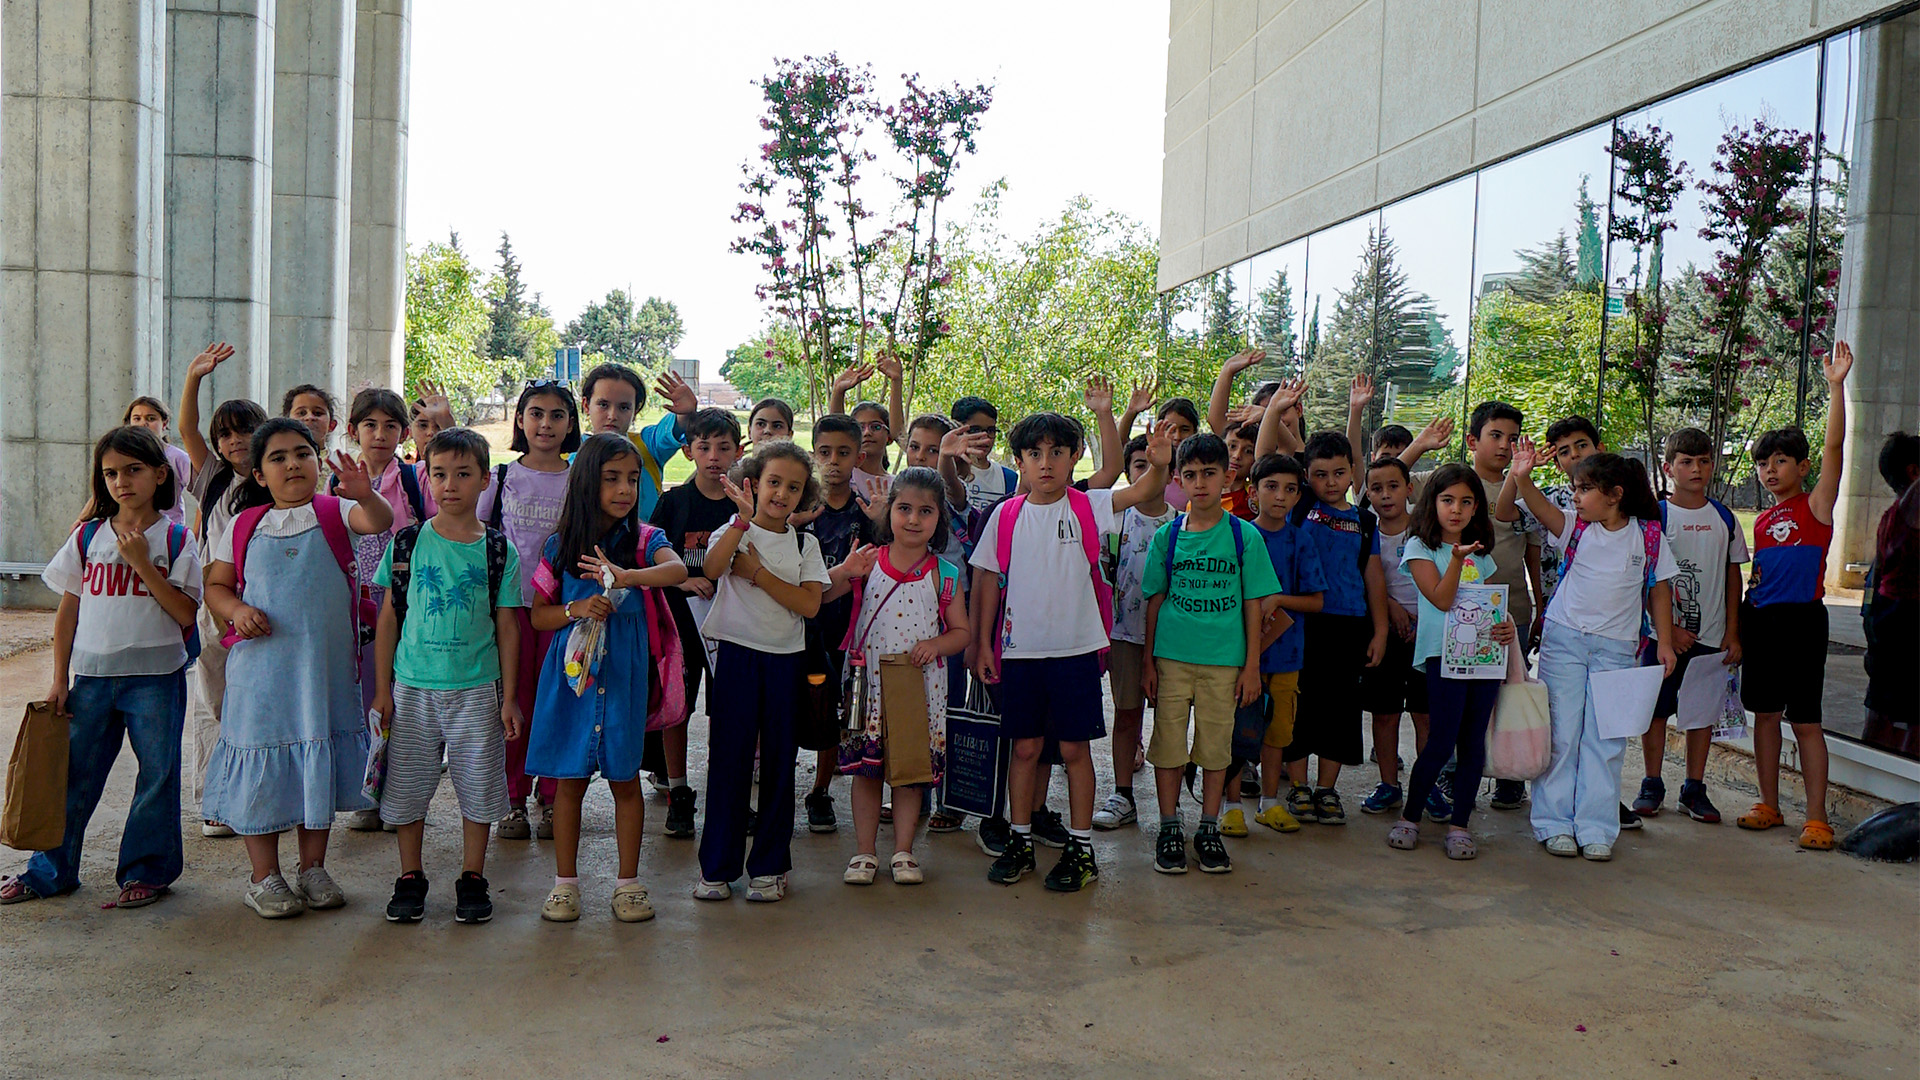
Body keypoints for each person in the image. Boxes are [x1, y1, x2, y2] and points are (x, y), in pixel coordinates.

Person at [970, 412, 1172, 892]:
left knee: (1075, 750)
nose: (1046, 463)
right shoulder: (1005, 516)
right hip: (1020, 654)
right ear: (1019, 461)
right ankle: (1020, 839)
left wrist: (1160, 464)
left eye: (1057, 452)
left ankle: (1081, 849)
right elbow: (986, 582)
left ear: (1073, 456)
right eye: (1034, 454)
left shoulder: (1088, 505)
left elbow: (1143, 490)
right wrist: (981, 643)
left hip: (1076, 654)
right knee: (1025, 749)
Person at [200, 419, 395, 917]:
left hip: (322, 676)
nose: (293, 464)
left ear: (317, 461)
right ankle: (264, 877)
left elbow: (378, 521)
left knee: (316, 762)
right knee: (262, 771)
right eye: (279, 457)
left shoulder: (336, 511)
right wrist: (237, 610)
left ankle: (313, 868)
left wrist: (365, 494)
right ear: (259, 475)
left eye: (303, 453)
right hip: (259, 678)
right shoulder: (244, 526)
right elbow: (216, 586)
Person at [0, 428, 201, 908]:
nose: (121, 482)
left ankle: (146, 872)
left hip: (156, 680)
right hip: (90, 679)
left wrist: (142, 563)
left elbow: (185, 613)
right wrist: (58, 679)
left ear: (160, 474)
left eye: (133, 470)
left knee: (157, 776)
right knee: (72, 776)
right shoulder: (88, 535)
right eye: (111, 473)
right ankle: (50, 872)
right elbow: (68, 609)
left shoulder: (176, 538)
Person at [526, 434, 688, 923]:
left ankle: (628, 885)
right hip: (572, 683)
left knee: (625, 780)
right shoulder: (560, 546)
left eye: (632, 479)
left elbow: (677, 572)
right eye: (611, 478)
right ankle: (565, 885)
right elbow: (539, 615)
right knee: (569, 783)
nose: (624, 490)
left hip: (622, 681)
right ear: (585, 484)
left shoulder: (645, 540)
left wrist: (626, 576)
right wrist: (575, 609)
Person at [370, 429, 522, 924]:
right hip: (412, 687)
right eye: (439, 474)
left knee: (478, 784)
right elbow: (388, 619)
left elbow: (508, 626)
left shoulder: (498, 550)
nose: (450, 484)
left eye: (463, 474)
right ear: (426, 478)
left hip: (477, 688)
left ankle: (472, 876)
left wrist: (509, 698)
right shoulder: (408, 543)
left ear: (485, 480)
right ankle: (410, 876)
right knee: (407, 785)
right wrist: (382, 691)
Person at [1506, 442, 1677, 861]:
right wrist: (1522, 475)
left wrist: (1665, 642)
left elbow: (1659, 589)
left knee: (1606, 739)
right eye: (1575, 489)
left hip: (1617, 649)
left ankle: (1596, 828)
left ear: (1615, 494)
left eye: (1585, 489)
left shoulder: (1648, 536)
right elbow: (1539, 507)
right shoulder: (1573, 526)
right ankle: (1554, 824)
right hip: (1564, 641)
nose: (1576, 498)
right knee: (1562, 734)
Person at [696, 441, 832, 903]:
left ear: (804, 495)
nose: (782, 494)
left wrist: (756, 573)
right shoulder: (734, 530)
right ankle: (716, 868)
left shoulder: (805, 544)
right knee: (728, 762)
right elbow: (713, 569)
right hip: (736, 658)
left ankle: (770, 867)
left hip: (786, 663)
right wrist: (740, 521)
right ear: (753, 483)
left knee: (778, 764)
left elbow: (809, 604)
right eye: (774, 482)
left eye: (794, 487)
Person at [1139, 434, 1280, 875]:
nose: (1200, 483)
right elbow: (1155, 601)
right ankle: (1169, 826)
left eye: (1209, 473)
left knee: (1216, 749)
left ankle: (1208, 828)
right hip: (1172, 658)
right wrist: (1148, 663)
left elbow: (1254, 604)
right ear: (1178, 480)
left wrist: (1252, 666)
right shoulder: (1167, 537)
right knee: (1168, 745)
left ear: (1228, 477)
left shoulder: (1244, 537)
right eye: (1191, 475)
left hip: (1224, 663)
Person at [827, 468, 971, 885]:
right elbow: (823, 596)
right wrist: (846, 571)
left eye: (925, 511)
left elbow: (961, 632)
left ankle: (904, 852)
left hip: (920, 689)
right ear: (889, 511)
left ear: (939, 518)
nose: (913, 519)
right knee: (866, 772)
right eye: (904, 508)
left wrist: (937, 645)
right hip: (868, 687)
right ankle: (864, 852)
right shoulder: (869, 561)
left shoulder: (945, 574)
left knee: (910, 775)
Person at [1736, 344, 1854, 850]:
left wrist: (1835, 386)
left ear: (1803, 467)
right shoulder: (1763, 520)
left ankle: (1817, 817)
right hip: (1761, 621)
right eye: (1763, 463)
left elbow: (1835, 449)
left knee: (1805, 721)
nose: (1770, 470)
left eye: (1780, 461)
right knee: (1764, 715)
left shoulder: (1817, 505)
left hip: (1802, 622)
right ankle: (1769, 803)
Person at [1388, 463, 1512, 859]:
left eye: (1466, 501)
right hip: (1443, 656)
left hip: (1484, 659)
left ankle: (1460, 826)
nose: (1456, 509)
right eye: (1447, 500)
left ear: (1476, 508)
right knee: (1441, 741)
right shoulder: (1420, 548)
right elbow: (1441, 599)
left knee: (1473, 744)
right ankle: (1410, 818)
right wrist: (1457, 559)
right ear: (1432, 503)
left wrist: (1505, 626)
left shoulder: (1481, 554)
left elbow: (1489, 604)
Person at [478, 381, 580, 842]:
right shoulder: (501, 477)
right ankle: (513, 798)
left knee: (557, 702)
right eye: (536, 413)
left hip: (561, 611)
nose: (546, 424)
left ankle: (554, 796)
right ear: (520, 420)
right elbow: (477, 533)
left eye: (557, 415)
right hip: (510, 609)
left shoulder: (579, 480)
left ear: (570, 423)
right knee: (513, 703)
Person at [1632, 427, 1746, 824]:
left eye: (1703, 461)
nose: (1696, 469)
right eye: (1686, 462)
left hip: (1711, 638)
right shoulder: (1656, 516)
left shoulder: (1725, 518)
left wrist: (1732, 631)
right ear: (1668, 468)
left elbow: (1733, 576)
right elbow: (1646, 577)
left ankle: (1694, 788)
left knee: (1701, 715)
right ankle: (1651, 783)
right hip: (1661, 639)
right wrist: (1667, 631)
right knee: (1655, 711)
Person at [336, 388, 436, 833]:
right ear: (353, 430)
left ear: (404, 432)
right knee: (367, 702)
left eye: (390, 426)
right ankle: (370, 794)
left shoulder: (414, 479)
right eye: (370, 425)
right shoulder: (335, 482)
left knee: (407, 700)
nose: (380, 434)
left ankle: (404, 798)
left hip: (408, 607)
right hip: (358, 611)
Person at [175, 343, 265, 837]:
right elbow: (187, 430)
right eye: (225, 434)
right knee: (213, 699)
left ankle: (260, 794)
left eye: (243, 430)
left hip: (267, 603)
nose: (234, 441)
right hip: (216, 603)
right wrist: (194, 377)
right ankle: (214, 799)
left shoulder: (277, 478)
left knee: (261, 702)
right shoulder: (212, 478)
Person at [1280, 429, 1387, 825]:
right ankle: (1298, 786)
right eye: (1320, 474)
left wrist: (1380, 631)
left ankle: (1327, 789)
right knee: (1300, 706)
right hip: (1302, 621)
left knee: (1339, 710)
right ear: (1306, 477)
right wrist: (1275, 409)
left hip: (1349, 625)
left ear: (1352, 471)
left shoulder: (1365, 521)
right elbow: (1272, 447)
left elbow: (1373, 578)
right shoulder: (1300, 505)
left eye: (1339, 473)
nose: (1330, 482)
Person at [646, 407, 743, 838]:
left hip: (733, 624)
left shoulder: (743, 504)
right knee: (678, 709)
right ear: (689, 451)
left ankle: (728, 794)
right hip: (681, 623)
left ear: (739, 452)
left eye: (724, 448)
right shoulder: (674, 503)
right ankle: (678, 792)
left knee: (729, 712)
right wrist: (684, 580)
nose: (714, 457)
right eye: (704, 447)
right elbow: (652, 556)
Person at [1091, 436, 1179, 832]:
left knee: (1171, 720)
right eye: (1140, 464)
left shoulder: (1181, 524)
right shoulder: (1114, 521)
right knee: (1126, 714)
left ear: (1172, 474)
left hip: (1172, 640)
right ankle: (1122, 794)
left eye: (1157, 464)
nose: (1148, 472)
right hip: (1123, 635)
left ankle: (1170, 807)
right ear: (1128, 474)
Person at [793, 413, 874, 833]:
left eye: (844, 453)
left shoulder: (869, 513)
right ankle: (777, 785)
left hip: (851, 631)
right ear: (813, 455)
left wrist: (883, 522)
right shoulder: (797, 510)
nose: (833, 462)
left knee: (834, 715)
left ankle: (820, 791)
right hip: (801, 629)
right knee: (792, 708)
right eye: (824, 452)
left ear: (859, 457)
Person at [1247, 452, 1327, 833]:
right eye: (1271, 486)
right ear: (1253, 492)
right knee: (1239, 730)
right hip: (1239, 657)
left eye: (1290, 489)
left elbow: (1316, 600)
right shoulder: (1240, 536)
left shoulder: (1301, 540)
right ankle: (1231, 805)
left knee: (1277, 733)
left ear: (1298, 495)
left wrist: (1278, 600)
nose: (1280, 496)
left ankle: (1269, 802)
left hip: (1286, 654)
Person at [1360, 456, 1440, 820]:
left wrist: (1423, 620)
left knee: (1425, 716)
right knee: (1385, 714)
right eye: (1376, 489)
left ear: (1409, 489)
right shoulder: (1366, 534)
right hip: (1385, 635)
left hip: (1427, 635)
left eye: (1393, 486)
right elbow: (1364, 581)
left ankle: (1428, 785)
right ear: (1368, 494)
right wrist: (1390, 607)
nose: (1385, 495)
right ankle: (1388, 784)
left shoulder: (1427, 531)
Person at [1475, 401, 1545, 812]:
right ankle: (1456, 772)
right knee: (1467, 698)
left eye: (1513, 438)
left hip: (1514, 610)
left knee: (1510, 695)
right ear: (1473, 440)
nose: (1504, 445)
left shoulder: (1526, 490)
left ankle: (1510, 777)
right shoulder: (1453, 484)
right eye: (1496, 436)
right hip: (1464, 612)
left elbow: (1533, 554)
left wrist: (1539, 606)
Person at [578, 361, 699, 521]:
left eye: (624, 407)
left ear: (636, 410)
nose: (612, 415)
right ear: (586, 405)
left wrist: (686, 413)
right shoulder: (568, 452)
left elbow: (673, 429)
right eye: (603, 405)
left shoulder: (647, 446)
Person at [1863, 431, 1918, 755]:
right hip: (1905, 616)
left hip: (1889, 617)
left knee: (1884, 708)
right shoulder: (1913, 505)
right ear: (1914, 471)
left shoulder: (1892, 515)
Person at [121, 396, 195, 527]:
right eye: (137, 419)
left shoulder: (176, 457)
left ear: (164, 423)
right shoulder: (122, 456)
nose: (143, 424)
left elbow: (204, 493)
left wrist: (197, 532)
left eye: (151, 419)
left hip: (169, 531)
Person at [281, 383, 339, 454]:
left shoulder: (340, 460)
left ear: (331, 425)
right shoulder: (278, 459)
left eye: (318, 413)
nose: (310, 417)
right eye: (302, 413)